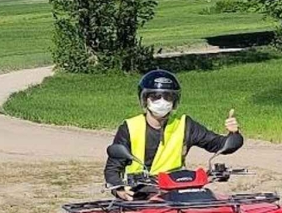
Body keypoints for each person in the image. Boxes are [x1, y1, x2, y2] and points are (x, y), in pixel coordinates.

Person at [103, 69, 241, 198]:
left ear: (174, 101)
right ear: (145, 99)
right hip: (140, 194)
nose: (162, 101)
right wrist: (120, 190)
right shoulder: (130, 127)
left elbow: (219, 145)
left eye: (167, 97)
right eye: (156, 96)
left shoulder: (185, 124)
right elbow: (112, 169)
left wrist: (234, 134)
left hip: (177, 191)